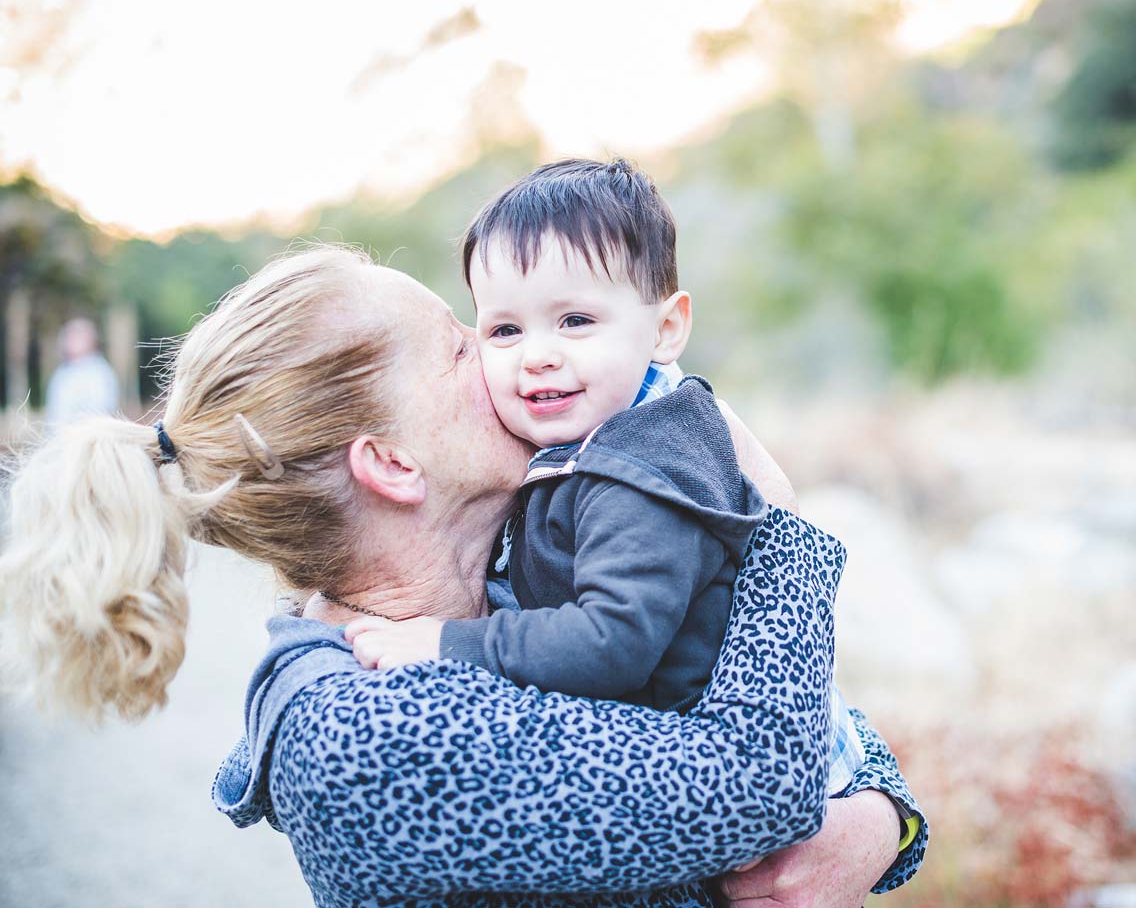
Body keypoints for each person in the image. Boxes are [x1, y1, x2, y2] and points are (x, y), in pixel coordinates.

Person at [0, 247, 926, 907]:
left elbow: (795, 713)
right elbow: (755, 781)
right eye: (461, 345)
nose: (514, 360)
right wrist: (784, 532)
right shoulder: (365, 733)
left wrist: (880, 821)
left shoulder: (529, 556)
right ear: (392, 464)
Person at [345, 158, 871, 797]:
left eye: (576, 321)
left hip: (731, 779)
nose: (539, 354)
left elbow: (611, 640)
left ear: (666, 329)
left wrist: (447, 642)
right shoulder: (587, 433)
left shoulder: (638, 470)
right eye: (505, 330)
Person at [44, 316, 120, 427]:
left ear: (90, 340)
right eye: (68, 337)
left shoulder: (100, 374)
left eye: (75, 337)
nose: (68, 341)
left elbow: (100, 414)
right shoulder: (61, 372)